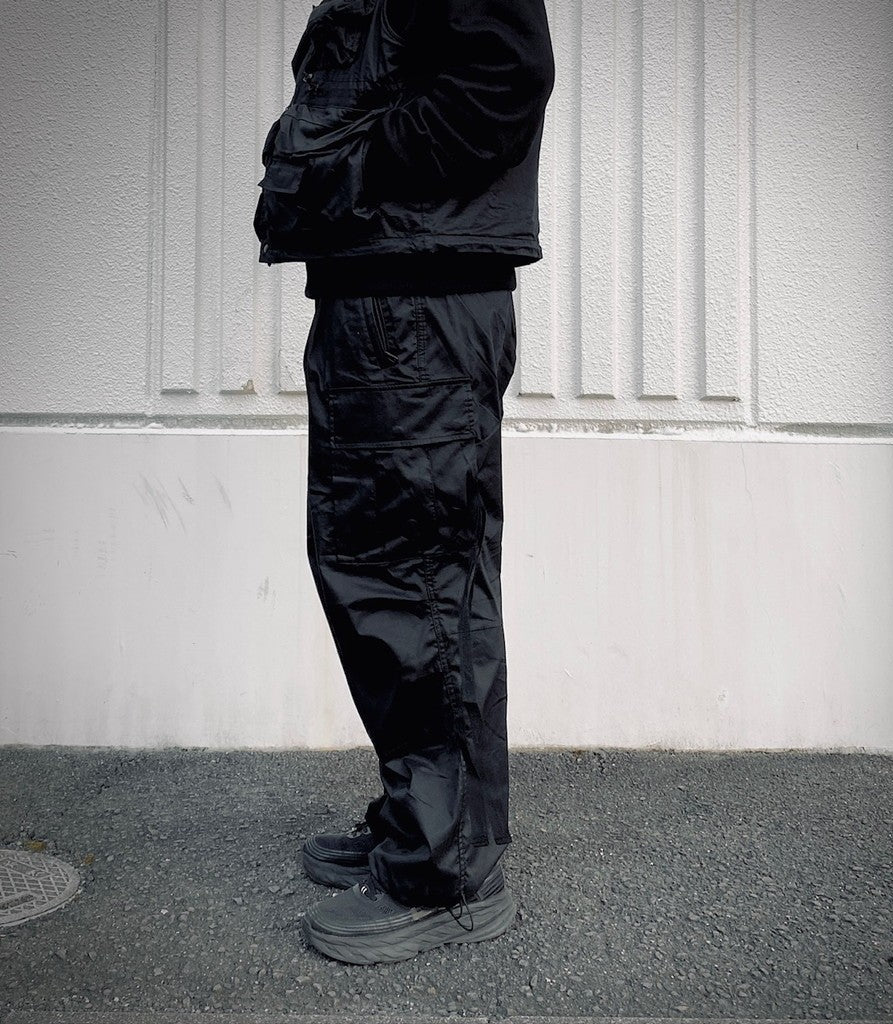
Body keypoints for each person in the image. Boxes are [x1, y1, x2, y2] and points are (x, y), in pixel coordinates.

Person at [253, 0, 556, 965]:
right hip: (390, 294)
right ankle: (421, 821)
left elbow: (501, 78)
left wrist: (350, 172)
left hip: (414, 305)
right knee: (396, 572)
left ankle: (445, 874)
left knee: (412, 579)